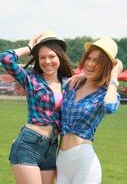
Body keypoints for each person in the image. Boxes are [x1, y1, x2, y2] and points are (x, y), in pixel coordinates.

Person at [0, 30, 73, 184]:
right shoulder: (30, 79)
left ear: (59, 57)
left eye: (51, 56)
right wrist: (29, 47)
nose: (47, 61)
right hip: (28, 145)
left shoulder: (69, 84)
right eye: (42, 57)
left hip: (51, 148)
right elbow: (5, 58)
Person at [56, 36, 123, 184]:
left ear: (108, 66)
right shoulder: (73, 85)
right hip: (61, 162)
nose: (90, 64)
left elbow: (110, 107)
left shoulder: (105, 94)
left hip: (84, 164)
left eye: (98, 61)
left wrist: (114, 76)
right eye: (89, 58)